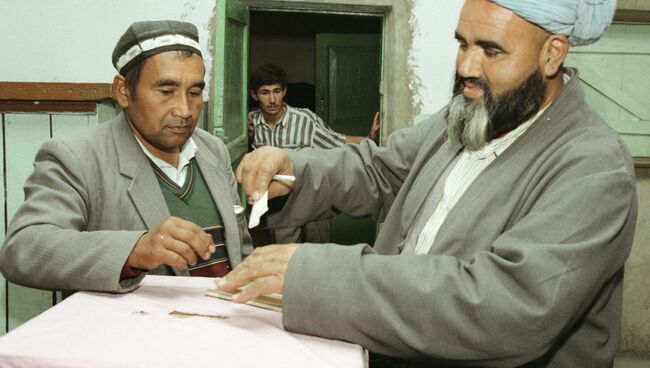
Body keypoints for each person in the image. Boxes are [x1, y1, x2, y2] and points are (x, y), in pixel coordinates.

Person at [219, 1, 637, 367]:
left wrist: (320, 276)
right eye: (463, 44)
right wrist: (292, 173)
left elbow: (505, 306)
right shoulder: (466, 115)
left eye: (491, 50)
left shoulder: (593, 165)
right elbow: (379, 171)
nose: (466, 67)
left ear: (552, 55)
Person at [0, 20, 252, 294]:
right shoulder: (77, 158)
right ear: (123, 90)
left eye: (194, 92)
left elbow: (239, 250)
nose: (185, 110)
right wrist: (134, 249)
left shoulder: (213, 150)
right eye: (166, 92)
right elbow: (23, 249)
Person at [248, 63, 379, 244]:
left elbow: (336, 140)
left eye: (276, 91)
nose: (272, 99)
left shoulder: (304, 120)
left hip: (312, 195)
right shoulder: (250, 123)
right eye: (265, 92)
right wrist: (248, 138)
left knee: (317, 249)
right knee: (284, 252)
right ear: (254, 95)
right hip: (279, 203)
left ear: (284, 92)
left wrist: (368, 138)